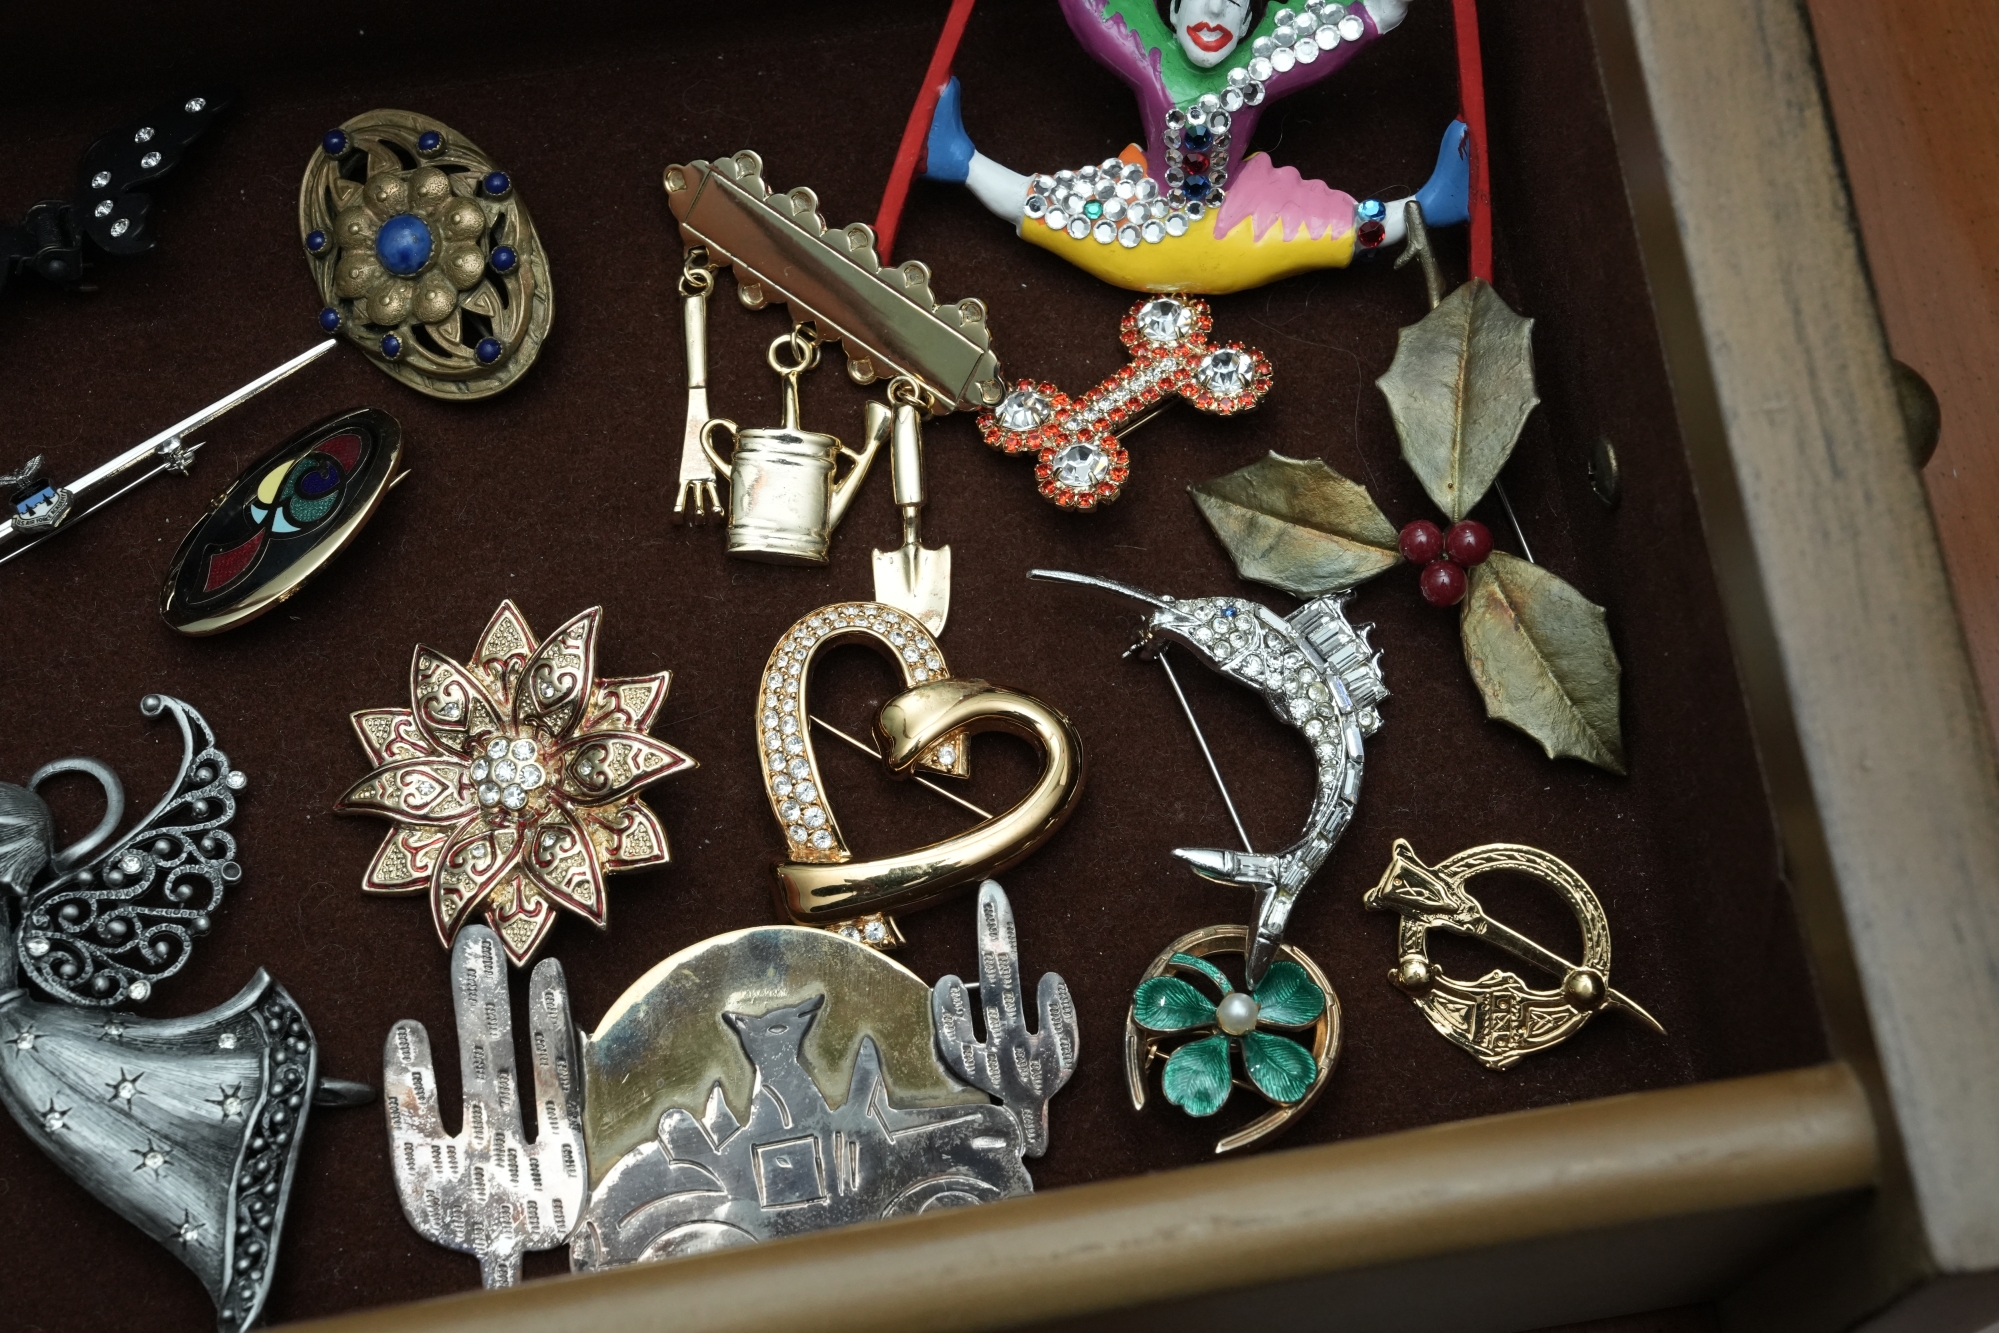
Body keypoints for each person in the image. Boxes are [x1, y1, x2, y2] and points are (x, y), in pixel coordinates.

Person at [922, 0, 1469, 293]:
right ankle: (958, 161)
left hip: (1239, 225)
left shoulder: (1261, 65)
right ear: (1173, 13)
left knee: (1346, 231)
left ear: (1250, 21)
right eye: (1199, 0)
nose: (1215, 12)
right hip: (1145, 222)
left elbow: (1357, 19)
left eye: (1232, 3)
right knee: (1045, 207)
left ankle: (1430, 207)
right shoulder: (1151, 58)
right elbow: (1093, 13)